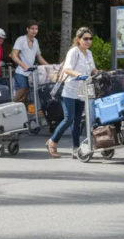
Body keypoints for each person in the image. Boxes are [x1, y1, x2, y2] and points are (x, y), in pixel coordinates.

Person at [47, 27, 97, 158]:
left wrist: (101, 73)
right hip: (69, 90)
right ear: (78, 39)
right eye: (85, 38)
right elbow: (67, 70)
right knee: (69, 119)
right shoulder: (73, 52)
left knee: (77, 121)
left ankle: (76, 148)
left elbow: (93, 69)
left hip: (82, 91)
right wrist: (78, 74)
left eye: (90, 39)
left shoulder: (89, 53)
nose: (88, 41)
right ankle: (52, 141)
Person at [11, 20, 47, 104]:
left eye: (36, 29)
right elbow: (14, 55)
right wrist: (24, 66)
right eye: (32, 28)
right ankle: (12, 104)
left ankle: (22, 109)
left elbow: (39, 57)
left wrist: (50, 66)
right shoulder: (20, 40)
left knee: (27, 93)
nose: (34, 31)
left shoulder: (36, 41)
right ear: (27, 29)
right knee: (23, 88)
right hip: (21, 71)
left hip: (31, 73)